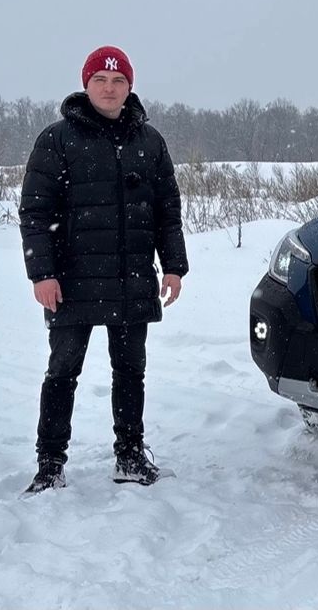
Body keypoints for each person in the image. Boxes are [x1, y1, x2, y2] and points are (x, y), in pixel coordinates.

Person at [18, 45, 188, 494]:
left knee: (131, 371)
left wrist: (173, 267)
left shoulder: (149, 142)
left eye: (118, 81)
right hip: (71, 283)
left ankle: (130, 457)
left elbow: (167, 211)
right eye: (100, 80)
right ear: (86, 84)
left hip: (132, 279)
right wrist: (42, 274)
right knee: (63, 372)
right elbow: (35, 213)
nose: (109, 89)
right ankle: (50, 464)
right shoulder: (56, 140)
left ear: (129, 86)